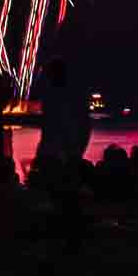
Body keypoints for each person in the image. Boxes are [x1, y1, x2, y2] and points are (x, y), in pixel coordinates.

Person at [32, 59, 93, 193]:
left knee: (53, 188)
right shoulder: (73, 96)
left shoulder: (52, 97)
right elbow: (84, 126)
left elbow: (50, 128)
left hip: (57, 153)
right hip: (65, 151)